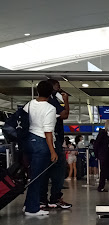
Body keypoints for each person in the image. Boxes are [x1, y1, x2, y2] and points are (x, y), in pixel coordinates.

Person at [22, 80, 58, 216]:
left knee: (32, 175)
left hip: (28, 141)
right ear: (51, 93)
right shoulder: (50, 108)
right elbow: (48, 132)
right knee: (38, 177)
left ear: (37, 91)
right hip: (41, 143)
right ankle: (32, 209)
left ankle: (28, 204)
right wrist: (53, 151)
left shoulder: (29, 104)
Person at [40, 79, 71, 209]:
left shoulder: (35, 103)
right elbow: (64, 114)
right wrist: (66, 101)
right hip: (53, 140)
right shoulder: (52, 102)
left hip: (41, 141)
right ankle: (55, 198)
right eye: (58, 86)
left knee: (44, 170)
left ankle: (42, 199)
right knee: (58, 169)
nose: (59, 89)